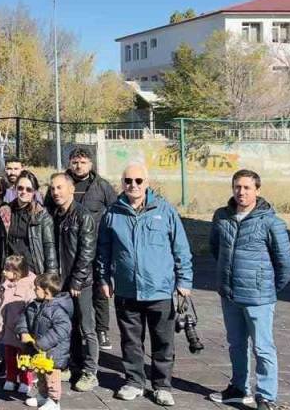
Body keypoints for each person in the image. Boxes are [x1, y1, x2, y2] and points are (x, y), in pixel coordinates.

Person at [97, 164, 193, 407]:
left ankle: (162, 386)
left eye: (139, 180)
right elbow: (103, 252)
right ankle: (134, 382)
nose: (134, 185)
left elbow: (180, 248)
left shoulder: (165, 211)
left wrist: (184, 280)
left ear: (147, 182)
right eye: (128, 180)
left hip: (159, 289)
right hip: (127, 289)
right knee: (131, 341)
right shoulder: (112, 214)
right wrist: (103, 278)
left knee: (163, 342)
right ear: (122, 182)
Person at [207, 170, 290, 410]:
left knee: (263, 348)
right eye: (237, 187)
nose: (241, 192)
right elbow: (216, 249)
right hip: (230, 295)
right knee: (236, 344)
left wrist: (267, 288)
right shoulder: (222, 217)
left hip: (259, 298)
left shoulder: (270, 221)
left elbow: (286, 263)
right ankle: (238, 388)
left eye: (247, 187)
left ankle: (266, 397)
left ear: (257, 190)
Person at [56, 148, 118, 351]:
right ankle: (74, 329)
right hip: (70, 247)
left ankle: (101, 329)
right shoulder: (62, 184)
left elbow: (115, 212)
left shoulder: (101, 186)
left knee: (100, 288)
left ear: (90, 164)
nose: (79, 165)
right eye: (75, 162)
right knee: (72, 290)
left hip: (98, 246)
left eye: (83, 162)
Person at [47, 172, 99, 393]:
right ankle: (73, 364)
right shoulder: (55, 215)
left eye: (59, 188)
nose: (56, 192)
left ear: (71, 189)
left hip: (80, 283)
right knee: (68, 327)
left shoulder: (83, 216)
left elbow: (87, 252)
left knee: (87, 328)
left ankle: (90, 372)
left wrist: (77, 280)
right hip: (62, 282)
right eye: (52, 189)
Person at [17, 272, 73, 410]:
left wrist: (41, 343)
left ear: (46, 292)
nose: (34, 290)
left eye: (36, 288)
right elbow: (24, 318)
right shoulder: (34, 304)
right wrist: (23, 331)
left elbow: (62, 329)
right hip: (38, 351)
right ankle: (42, 396)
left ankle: (54, 401)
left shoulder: (58, 310)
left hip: (54, 352)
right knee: (40, 374)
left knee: (52, 377)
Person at [0, 255, 36, 397]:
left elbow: (32, 308)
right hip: (6, 328)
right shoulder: (3, 284)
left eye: (7, 270)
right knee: (9, 355)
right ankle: (10, 378)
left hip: (20, 329)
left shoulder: (28, 287)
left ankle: (25, 381)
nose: (4, 272)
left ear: (17, 272)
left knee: (24, 357)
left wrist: (28, 327)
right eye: (4, 269)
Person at [7, 172, 58, 280]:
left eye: (28, 189)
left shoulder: (41, 215)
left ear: (34, 192)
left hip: (32, 273)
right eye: (20, 188)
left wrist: (51, 278)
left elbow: (49, 248)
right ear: (15, 188)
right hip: (9, 272)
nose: (23, 192)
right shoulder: (6, 211)